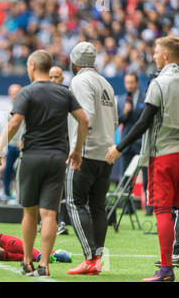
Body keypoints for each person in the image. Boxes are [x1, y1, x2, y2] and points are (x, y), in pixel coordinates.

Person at [0, 50, 88, 277]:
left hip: (33, 156)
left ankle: (27, 262)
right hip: (58, 158)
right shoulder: (64, 93)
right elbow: (83, 120)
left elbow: (15, 122)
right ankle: (44, 264)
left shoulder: (27, 91)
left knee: (30, 212)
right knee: (50, 214)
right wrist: (76, 150)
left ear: (33, 66)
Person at [106, 35, 179, 282]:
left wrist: (119, 147)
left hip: (164, 154)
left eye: (157, 52)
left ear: (166, 55)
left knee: (161, 209)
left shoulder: (159, 83)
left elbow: (143, 122)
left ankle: (166, 269)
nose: (154, 55)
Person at [65, 42, 119, 276]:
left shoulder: (79, 81)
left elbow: (86, 117)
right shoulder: (105, 82)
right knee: (98, 206)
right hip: (106, 153)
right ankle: (96, 258)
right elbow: (115, 121)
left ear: (74, 62)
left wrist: (77, 148)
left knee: (74, 203)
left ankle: (90, 258)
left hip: (85, 152)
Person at [116, 73, 151, 215]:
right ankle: (127, 208)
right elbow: (119, 120)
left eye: (132, 82)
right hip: (126, 144)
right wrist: (125, 112)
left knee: (146, 178)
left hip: (142, 142)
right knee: (125, 178)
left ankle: (149, 208)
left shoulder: (146, 98)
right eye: (127, 82)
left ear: (137, 83)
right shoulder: (121, 100)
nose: (129, 85)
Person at [49, 66, 70, 235]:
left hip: (64, 145)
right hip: (45, 145)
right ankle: (45, 221)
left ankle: (61, 221)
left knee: (62, 185)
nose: (54, 80)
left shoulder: (68, 95)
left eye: (57, 77)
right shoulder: (42, 94)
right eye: (51, 77)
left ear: (62, 78)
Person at [3, 84, 23, 200]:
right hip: (11, 144)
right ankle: (6, 192)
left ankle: (18, 193)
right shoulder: (7, 108)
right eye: (12, 93)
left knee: (19, 171)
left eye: (16, 92)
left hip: (21, 144)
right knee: (8, 169)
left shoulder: (25, 106)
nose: (14, 95)